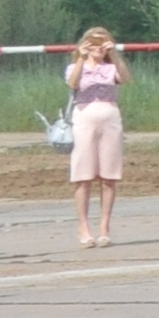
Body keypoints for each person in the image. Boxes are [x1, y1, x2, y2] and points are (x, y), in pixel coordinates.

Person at [66, 26, 128, 247]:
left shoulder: (111, 68)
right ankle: (84, 228)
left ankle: (104, 227)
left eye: (103, 43)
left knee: (109, 176)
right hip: (84, 117)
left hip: (109, 117)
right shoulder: (75, 66)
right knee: (83, 176)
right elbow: (72, 83)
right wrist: (82, 58)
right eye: (94, 43)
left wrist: (115, 54)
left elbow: (125, 78)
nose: (99, 47)